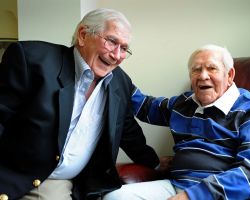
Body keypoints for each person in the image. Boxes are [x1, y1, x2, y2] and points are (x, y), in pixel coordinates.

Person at [0, 8, 160, 200]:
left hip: (72, 181)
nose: (117, 55)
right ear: (83, 35)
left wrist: (156, 165)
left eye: (124, 48)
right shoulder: (32, 59)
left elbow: (127, 130)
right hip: (24, 175)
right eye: (111, 41)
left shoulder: (120, 82)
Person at [103, 44, 250, 200]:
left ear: (229, 75)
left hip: (226, 195)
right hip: (178, 187)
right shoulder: (184, 104)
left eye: (212, 68)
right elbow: (144, 106)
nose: (203, 76)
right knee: (115, 197)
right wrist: (110, 66)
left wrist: (194, 195)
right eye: (196, 69)